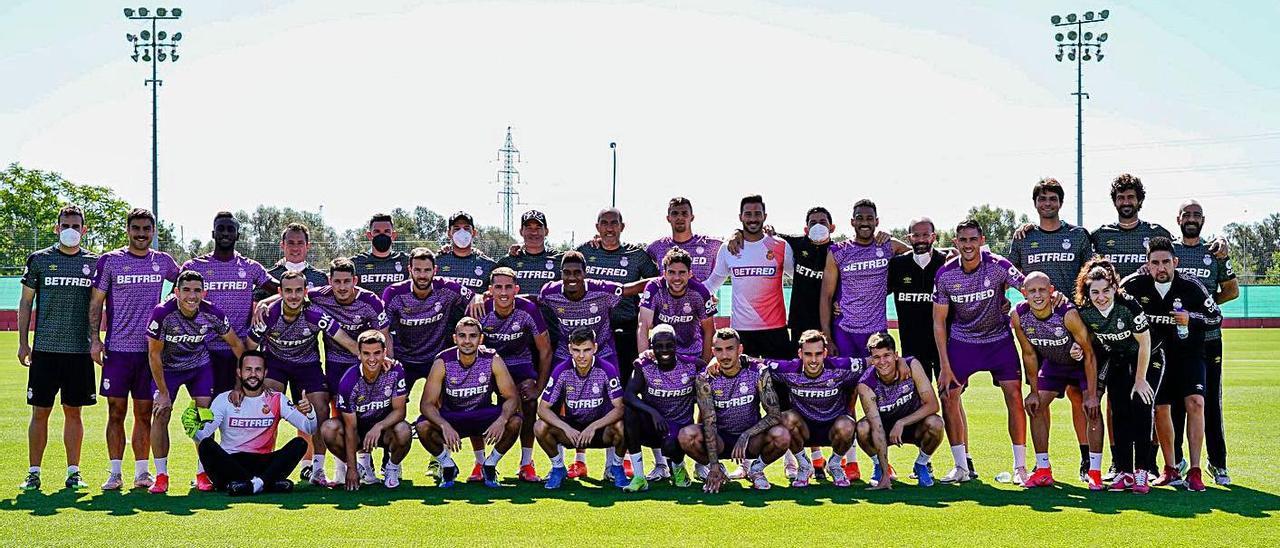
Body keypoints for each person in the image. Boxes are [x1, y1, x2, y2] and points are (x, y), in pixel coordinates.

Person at [1009, 179, 1094, 481]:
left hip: (1071, 327)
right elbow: (1011, 275)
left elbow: (1091, 277)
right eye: (1042, 198)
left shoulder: (1077, 236)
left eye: (1053, 198)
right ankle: (1041, 463)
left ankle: (1086, 461)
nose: (1047, 203)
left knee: (1076, 396)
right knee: (1039, 399)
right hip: (1037, 328)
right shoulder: (1023, 237)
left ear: (1060, 202)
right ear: (1035, 203)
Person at [88, 208, 179, 490]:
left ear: (153, 232)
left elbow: (187, 286)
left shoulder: (163, 262)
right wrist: (95, 339)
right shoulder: (111, 261)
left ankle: (142, 473)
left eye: (146, 229)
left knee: (143, 412)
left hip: (150, 352)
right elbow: (96, 303)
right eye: (136, 229)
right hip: (117, 350)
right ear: (128, 230)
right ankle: (115, 472)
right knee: (115, 412)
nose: (141, 234)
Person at [1122, 237, 1222, 491]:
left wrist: (1191, 318)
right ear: (1147, 264)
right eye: (1155, 263)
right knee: (1161, 410)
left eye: (1166, 262)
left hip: (1190, 355)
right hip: (1156, 357)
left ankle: (1197, 470)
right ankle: (1171, 469)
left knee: (1196, 402)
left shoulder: (1191, 285)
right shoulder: (1135, 284)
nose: (1161, 268)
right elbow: (1113, 302)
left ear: (1175, 262)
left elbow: (1215, 317)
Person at [932, 219, 1028, 484]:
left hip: (998, 339)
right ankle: (961, 467)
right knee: (949, 396)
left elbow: (1027, 287)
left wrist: (1051, 297)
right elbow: (938, 321)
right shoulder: (945, 274)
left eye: (973, 239)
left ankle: (1020, 467)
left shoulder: (998, 266)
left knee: (1014, 395)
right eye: (963, 240)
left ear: (982, 240)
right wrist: (944, 364)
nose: (968, 245)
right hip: (963, 341)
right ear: (955, 243)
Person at [536, 251, 647, 479]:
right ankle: (558, 467)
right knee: (555, 410)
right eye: (567, 273)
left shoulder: (601, 289)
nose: (572, 277)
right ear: (561, 274)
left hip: (604, 354)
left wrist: (664, 280)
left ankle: (612, 466)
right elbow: (532, 299)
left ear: (585, 274)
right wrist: (487, 297)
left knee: (613, 409)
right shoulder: (550, 292)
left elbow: (632, 288)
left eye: (577, 272)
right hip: (567, 356)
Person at [248, 270, 359, 482]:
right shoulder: (269, 315)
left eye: (298, 290)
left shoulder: (315, 314)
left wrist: (377, 361)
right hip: (276, 365)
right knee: (266, 404)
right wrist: (241, 384)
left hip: (307, 366)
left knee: (320, 409)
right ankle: (261, 463)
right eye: (288, 291)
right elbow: (249, 348)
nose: (293, 296)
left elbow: (347, 342)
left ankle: (317, 469)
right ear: (280, 292)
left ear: (305, 291)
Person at [18, 205, 99, 491]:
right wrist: (23, 342)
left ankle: (74, 472)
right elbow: (26, 302)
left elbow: (98, 305)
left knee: (73, 412)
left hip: (79, 352)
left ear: (84, 230)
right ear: (56, 228)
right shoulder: (39, 260)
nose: (71, 230)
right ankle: (34, 472)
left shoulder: (94, 262)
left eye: (76, 226)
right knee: (40, 412)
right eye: (66, 225)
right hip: (45, 351)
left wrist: (96, 340)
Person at [146, 270, 246, 494]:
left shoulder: (212, 313)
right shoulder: (163, 313)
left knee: (204, 417)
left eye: (197, 290)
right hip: (168, 369)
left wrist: (240, 382)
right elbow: (153, 354)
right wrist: (163, 393)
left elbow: (237, 345)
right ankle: (161, 476)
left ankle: (203, 473)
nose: (192, 296)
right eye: (187, 290)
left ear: (204, 292)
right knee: (161, 413)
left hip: (198, 367)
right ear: (176, 292)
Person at [1010, 272, 1104, 489]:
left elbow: (1089, 352)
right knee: (1035, 406)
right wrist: (1033, 391)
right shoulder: (1019, 315)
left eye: (1042, 290)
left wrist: (1091, 394)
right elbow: (1029, 355)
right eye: (1032, 291)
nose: (1037, 295)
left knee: (1092, 408)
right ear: (1024, 293)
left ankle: (1095, 472)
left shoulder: (1066, 313)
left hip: (1081, 365)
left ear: (1051, 290)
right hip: (1054, 364)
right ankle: (1043, 469)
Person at [302, 257, 391, 486]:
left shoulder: (370, 301)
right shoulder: (319, 296)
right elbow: (292, 293)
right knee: (338, 416)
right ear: (329, 281)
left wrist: (387, 362)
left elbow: (384, 333)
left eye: (346, 281)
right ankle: (338, 471)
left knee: (362, 415)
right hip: (334, 363)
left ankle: (365, 464)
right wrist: (264, 303)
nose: (342, 287)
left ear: (355, 281)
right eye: (337, 281)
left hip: (365, 365)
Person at [1074, 258, 1159, 493]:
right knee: (1119, 410)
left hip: (1145, 357)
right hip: (1117, 359)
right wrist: (1077, 346)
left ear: (1114, 288)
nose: (1101, 297)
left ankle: (1142, 471)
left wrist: (1141, 379)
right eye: (1095, 292)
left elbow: (1145, 342)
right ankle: (1124, 472)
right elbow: (1086, 337)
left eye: (1106, 291)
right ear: (1087, 291)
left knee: (1141, 407)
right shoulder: (1085, 310)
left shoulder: (1128, 305)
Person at [1171, 200, 1238, 485]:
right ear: (1178, 219)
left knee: (1209, 402)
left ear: (1203, 220)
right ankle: (1175, 461)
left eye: (1196, 215)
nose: (1191, 218)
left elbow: (1231, 290)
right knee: (1173, 403)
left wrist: (1205, 307)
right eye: (1187, 214)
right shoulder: (1169, 251)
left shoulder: (1215, 253)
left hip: (1208, 338)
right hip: (1173, 341)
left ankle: (1217, 463)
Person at [678, 328, 791, 492]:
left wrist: (747, 434)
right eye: (719, 350)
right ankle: (717, 470)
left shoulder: (758, 372)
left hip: (751, 440)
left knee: (782, 435)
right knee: (686, 436)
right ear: (713, 351)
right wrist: (714, 465)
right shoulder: (705, 378)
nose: (724, 356)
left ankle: (756, 470)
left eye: (730, 349)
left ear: (740, 349)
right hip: (720, 440)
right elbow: (709, 422)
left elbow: (774, 415)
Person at [189, 350, 315, 495]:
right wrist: (192, 428)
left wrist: (310, 412)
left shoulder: (276, 398)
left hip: (263, 462)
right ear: (239, 372)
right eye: (248, 369)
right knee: (206, 445)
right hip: (230, 463)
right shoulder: (224, 399)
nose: (253, 374)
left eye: (258, 370)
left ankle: (252, 484)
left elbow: (309, 429)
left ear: (265, 372)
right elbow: (203, 435)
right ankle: (268, 483)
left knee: (300, 443)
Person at [416, 318, 523, 488]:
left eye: (472, 336)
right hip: (453, 418)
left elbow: (512, 397)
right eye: (462, 336)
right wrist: (444, 425)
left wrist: (501, 420)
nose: (467, 341)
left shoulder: (492, 358)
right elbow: (426, 404)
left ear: (480, 339)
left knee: (515, 420)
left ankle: (489, 465)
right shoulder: (443, 361)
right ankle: (447, 465)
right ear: (455, 338)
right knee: (422, 426)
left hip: (482, 415)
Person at [180, 212, 275, 395]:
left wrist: (265, 301)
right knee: (204, 409)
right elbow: (174, 299)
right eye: (220, 229)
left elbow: (281, 290)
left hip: (238, 350)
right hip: (202, 350)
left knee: (236, 408)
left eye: (230, 229)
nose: (225, 233)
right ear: (213, 233)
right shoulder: (194, 267)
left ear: (238, 235)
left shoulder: (250, 267)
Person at [478, 267, 553, 482]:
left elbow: (545, 350)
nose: (503, 292)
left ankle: (526, 463)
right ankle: (479, 462)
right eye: (498, 287)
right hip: (488, 365)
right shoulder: (480, 310)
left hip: (519, 363)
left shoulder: (528, 309)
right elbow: (468, 346)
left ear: (516, 289)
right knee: (474, 401)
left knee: (529, 402)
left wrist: (539, 387)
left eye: (508, 287)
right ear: (490, 289)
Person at [535, 328, 628, 490]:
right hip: (573, 432)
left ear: (595, 348)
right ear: (570, 349)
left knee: (623, 425)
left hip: (600, 431)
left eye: (586, 350)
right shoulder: (561, 371)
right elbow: (542, 409)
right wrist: (566, 428)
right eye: (576, 350)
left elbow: (619, 408)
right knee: (540, 426)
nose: (581, 356)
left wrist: (593, 427)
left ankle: (617, 467)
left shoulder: (607, 369)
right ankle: (558, 468)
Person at [703, 195, 794, 360]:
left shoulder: (780, 245)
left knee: (779, 382)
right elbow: (713, 282)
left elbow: (801, 279)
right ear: (740, 217)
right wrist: (685, 291)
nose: (753, 219)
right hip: (741, 332)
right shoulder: (729, 248)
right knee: (743, 384)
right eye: (748, 214)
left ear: (765, 217)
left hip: (775, 330)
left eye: (757, 214)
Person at [771, 330, 864, 488]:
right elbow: (756, 364)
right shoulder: (789, 369)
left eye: (818, 354)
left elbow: (875, 362)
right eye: (808, 354)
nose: (813, 360)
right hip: (803, 430)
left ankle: (834, 464)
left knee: (848, 424)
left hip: (833, 429)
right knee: (786, 418)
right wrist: (715, 364)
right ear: (800, 353)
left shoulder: (840, 367)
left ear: (825, 353)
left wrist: (904, 362)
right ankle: (804, 465)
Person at [576, 208, 660, 382]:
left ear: (622, 226)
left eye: (614, 223)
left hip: (625, 328)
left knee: (623, 381)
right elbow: (563, 271)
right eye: (604, 223)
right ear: (597, 227)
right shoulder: (585, 252)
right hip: (591, 327)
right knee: (590, 381)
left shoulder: (636, 255)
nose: (609, 228)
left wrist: (630, 292)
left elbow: (657, 281)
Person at [855, 332, 945, 489]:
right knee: (862, 428)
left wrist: (901, 422)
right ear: (871, 360)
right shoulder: (865, 384)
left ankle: (921, 464)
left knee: (936, 423)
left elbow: (932, 405)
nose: (882, 361)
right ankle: (881, 467)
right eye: (876, 357)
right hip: (884, 430)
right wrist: (884, 476)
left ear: (896, 355)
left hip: (913, 425)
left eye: (887, 355)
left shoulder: (911, 365)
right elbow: (877, 428)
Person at [821, 199, 909, 360]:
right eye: (860, 218)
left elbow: (919, 255)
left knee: (877, 382)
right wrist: (828, 338)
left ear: (877, 221)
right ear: (852, 222)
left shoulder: (889, 246)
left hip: (877, 332)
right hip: (844, 331)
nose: (864, 222)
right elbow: (826, 296)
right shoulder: (838, 251)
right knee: (847, 382)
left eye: (869, 218)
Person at [327, 330, 413, 490]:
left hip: (385, 430)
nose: (372, 359)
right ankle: (358, 468)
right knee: (328, 429)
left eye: (377, 353)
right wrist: (351, 469)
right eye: (366, 353)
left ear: (385, 353)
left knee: (404, 430)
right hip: (358, 432)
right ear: (359, 354)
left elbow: (400, 412)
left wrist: (378, 427)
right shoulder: (348, 381)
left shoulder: (395, 371)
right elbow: (350, 428)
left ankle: (391, 468)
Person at [622, 326, 702, 491]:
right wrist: (653, 412)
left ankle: (679, 469)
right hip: (654, 425)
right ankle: (639, 477)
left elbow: (712, 369)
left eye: (669, 345)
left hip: (679, 429)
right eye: (659, 346)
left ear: (676, 345)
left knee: (670, 446)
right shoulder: (644, 366)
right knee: (629, 413)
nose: (664, 350)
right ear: (651, 347)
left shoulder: (691, 365)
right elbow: (628, 395)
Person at [381, 248, 472, 392]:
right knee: (394, 404)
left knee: (445, 404)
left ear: (435, 270)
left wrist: (478, 298)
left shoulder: (447, 287)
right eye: (417, 270)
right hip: (404, 358)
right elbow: (383, 331)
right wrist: (391, 362)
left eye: (427, 270)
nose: (422, 275)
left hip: (436, 358)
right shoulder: (393, 293)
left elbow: (473, 299)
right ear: (409, 270)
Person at [887, 217, 947, 380]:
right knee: (921, 400)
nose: (921, 240)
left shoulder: (946, 262)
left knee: (950, 398)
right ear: (908, 238)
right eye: (916, 235)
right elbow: (875, 294)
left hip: (943, 346)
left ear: (933, 237)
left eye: (925, 235)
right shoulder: (897, 265)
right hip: (912, 347)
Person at [637, 248, 715, 364]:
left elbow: (709, 330)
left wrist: (704, 362)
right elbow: (643, 325)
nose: (677, 278)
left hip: (693, 355)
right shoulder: (654, 288)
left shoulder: (700, 292)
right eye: (671, 272)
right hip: (662, 353)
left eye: (682, 272)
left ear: (690, 274)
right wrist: (644, 361)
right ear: (664, 274)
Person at [645, 197, 722, 283]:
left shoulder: (710, 245)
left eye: (684, 213)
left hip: (702, 296)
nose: (680, 217)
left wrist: (737, 233)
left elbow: (733, 246)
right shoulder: (657, 247)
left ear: (692, 217)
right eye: (675, 213)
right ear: (668, 218)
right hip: (668, 296)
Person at [255, 222, 328, 301]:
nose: (295, 248)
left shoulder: (320, 278)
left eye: (300, 243)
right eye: (291, 243)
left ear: (308, 246)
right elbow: (256, 306)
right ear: (282, 245)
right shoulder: (268, 277)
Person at [496, 210, 562, 296]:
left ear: (546, 231)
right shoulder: (507, 262)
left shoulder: (559, 260)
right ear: (521, 232)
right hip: (518, 309)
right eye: (529, 228)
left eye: (538, 228)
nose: (534, 232)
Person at [435, 211, 498, 292]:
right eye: (457, 229)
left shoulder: (488, 265)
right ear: (449, 233)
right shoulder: (437, 262)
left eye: (466, 228)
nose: (462, 232)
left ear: (474, 233)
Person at [351, 212, 410, 296]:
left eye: (387, 231)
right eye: (377, 231)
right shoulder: (355, 263)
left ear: (393, 235)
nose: (382, 235)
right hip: (367, 309)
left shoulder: (406, 261)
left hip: (396, 309)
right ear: (369, 235)